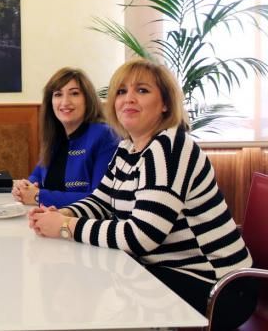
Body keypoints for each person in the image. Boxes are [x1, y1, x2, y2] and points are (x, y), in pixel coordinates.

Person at [28, 58, 258, 330]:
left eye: (142, 90)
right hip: (168, 274)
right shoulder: (128, 148)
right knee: (91, 286)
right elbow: (101, 200)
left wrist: (67, 227)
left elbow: (141, 237)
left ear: (165, 104)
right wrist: (65, 213)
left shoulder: (170, 147)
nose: (128, 99)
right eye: (122, 91)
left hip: (216, 287)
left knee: (92, 295)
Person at [12, 67, 118, 207]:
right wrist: (24, 187)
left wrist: (39, 196)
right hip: (49, 220)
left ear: (88, 99)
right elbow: (37, 175)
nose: (65, 102)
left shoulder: (106, 135)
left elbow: (100, 198)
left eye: (74, 93)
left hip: (82, 224)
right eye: (58, 94)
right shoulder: (55, 136)